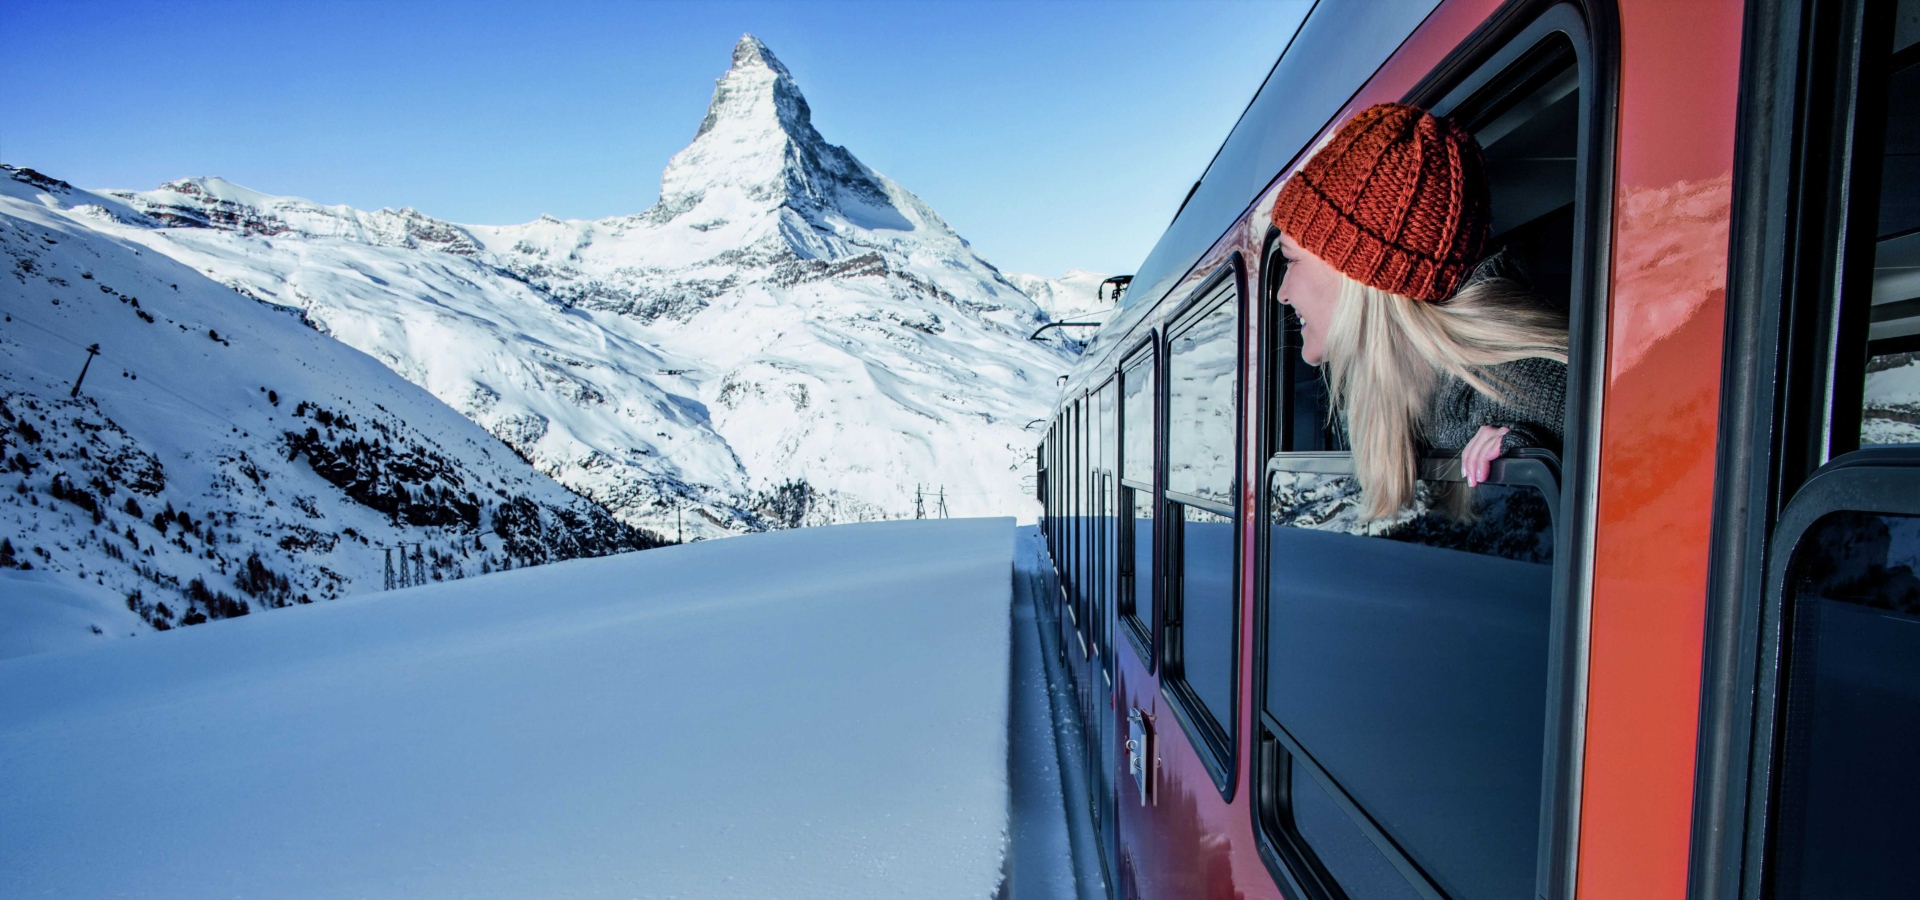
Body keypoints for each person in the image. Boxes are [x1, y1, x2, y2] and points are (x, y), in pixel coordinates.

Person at [1269, 102, 1568, 518]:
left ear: (1362, 275)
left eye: (1291, 259)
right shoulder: (1413, 388)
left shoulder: (1526, 391)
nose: (1281, 293)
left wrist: (1529, 480)